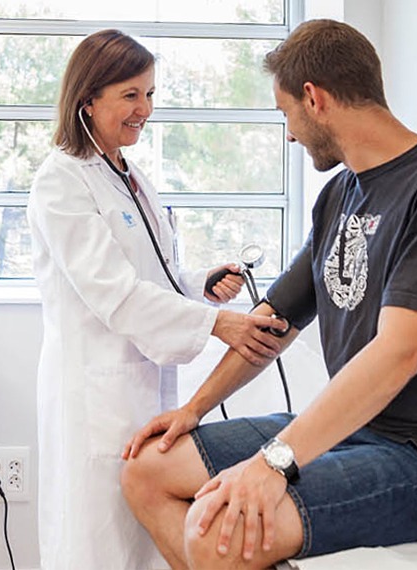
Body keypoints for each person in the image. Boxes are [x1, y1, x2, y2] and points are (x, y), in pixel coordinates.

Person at [119, 19, 417, 570]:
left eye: (286, 116)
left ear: (315, 98)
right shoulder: (339, 195)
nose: (289, 135)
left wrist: (274, 461)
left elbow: (400, 353)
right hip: (356, 431)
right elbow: (272, 321)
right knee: (145, 472)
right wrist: (192, 409)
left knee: (215, 535)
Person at [26, 29, 289, 570]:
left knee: (145, 538)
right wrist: (217, 322)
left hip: (143, 389)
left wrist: (199, 284)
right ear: (87, 100)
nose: (144, 109)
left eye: (150, 94)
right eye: (130, 95)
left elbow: (152, 274)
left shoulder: (131, 176)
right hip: (93, 392)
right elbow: (114, 292)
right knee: (95, 540)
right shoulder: (62, 182)